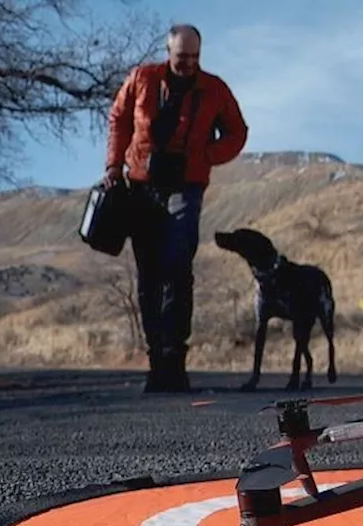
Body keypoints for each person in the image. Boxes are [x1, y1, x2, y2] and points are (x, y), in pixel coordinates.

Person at [104, 24, 248, 392]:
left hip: (187, 186)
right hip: (140, 186)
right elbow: (118, 118)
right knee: (149, 273)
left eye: (196, 58)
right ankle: (156, 363)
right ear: (168, 52)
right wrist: (112, 166)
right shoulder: (141, 78)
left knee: (179, 268)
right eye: (182, 57)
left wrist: (204, 156)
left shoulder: (214, 88)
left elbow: (237, 132)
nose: (189, 64)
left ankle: (176, 360)